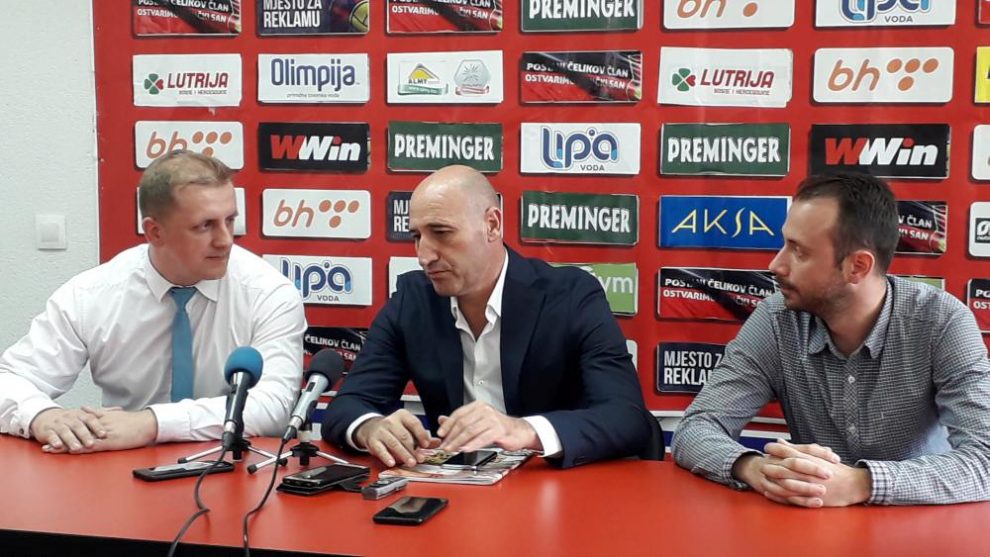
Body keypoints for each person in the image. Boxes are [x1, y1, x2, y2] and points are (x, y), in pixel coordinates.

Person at [672, 172, 990, 506]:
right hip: (808, 523)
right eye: (785, 244)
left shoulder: (942, 322)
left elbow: (985, 458)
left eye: (799, 252)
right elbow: (696, 428)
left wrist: (862, 483)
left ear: (857, 267)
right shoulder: (776, 320)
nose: (776, 264)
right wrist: (755, 469)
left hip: (918, 524)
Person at [321, 165, 649, 469]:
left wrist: (524, 431)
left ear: (492, 225)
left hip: (556, 490)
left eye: (441, 232)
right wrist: (371, 427)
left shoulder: (571, 296)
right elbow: (349, 404)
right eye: (416, 237)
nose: (424, 256)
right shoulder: (412, 301)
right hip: (458, 495)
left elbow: (627, 417)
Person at [0, 150, 306, 454]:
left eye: (230, 220)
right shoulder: (92, 294)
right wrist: (41, 416)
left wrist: (151, 423)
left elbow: (274, 406)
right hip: (122, 469)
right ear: (155, 232)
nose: (225, 240)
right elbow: (10, 379)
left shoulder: (268, 293)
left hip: (236, 466)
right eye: (205, 225)